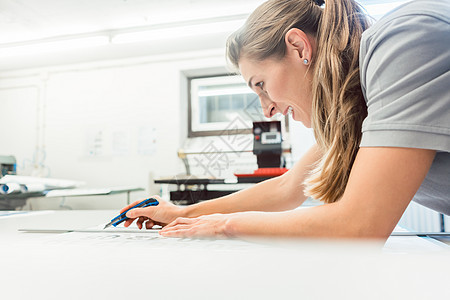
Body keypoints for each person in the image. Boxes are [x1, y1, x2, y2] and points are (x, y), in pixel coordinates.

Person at [120, 0, 449, 239]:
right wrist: (183, 213)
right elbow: (288, 189)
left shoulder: (402, 41)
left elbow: (361, 224)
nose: (267, 110)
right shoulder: (358, 99)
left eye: (261, 85)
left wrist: (222, 225)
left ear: (298, 46)